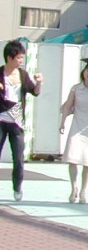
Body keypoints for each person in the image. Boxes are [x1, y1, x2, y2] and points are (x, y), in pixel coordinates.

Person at [58, 62, 88, 204]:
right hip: (76, 125)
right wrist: (62, 123)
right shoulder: (76, 89)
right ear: (83, 72)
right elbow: (68, 106)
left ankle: (83, 191)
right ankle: (73, 188)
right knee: (72, 159)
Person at [0, 40, 43, 202]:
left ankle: (17, 187)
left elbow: (35, 92)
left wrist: (39, 82)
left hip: (17, 123)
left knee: (18, 158)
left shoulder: (23, 75)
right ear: (9, 58)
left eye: (22, 58)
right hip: (1, 121)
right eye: (18, 58)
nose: (21, 61)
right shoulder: (0, 74)